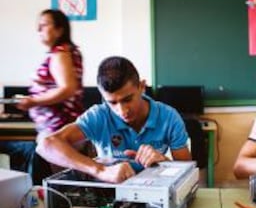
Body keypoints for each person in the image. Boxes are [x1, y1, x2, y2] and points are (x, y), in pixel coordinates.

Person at [37, 56, 192, 183]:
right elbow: (45, 145)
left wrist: (164, 162)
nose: (122, 111)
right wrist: (100, 170)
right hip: (111, 198)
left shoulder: (169, 117)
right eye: (112, 102)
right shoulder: (98, 115)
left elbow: (187, 173)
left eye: (128, 99)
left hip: (155, 192)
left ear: (142, 87)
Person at [0, 9, 83, 184]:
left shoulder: (60, 54)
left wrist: (33, 101)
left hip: (58, 130)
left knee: (59, 184)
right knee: (63, 182)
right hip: (60, 129)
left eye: (44, 25)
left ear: (59, 29)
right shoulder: (66, 52)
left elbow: (67, 88)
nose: (39, 29)